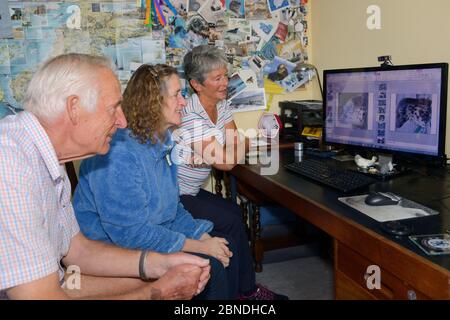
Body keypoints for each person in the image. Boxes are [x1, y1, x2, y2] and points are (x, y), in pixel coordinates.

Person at [0, 53, 210, 300]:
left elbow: (78, 253)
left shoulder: (50, 158)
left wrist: (160, 264)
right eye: (113, 109)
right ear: (74, 108)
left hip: (63, 280)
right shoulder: (10, 167)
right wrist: (158, 292)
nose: (122, 121)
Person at [72, 64, 230, 299]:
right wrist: (198, 247)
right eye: (177, 94)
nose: (184, 102)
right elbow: (131, 234)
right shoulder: (118, 153)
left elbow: (172, 209)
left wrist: (202, 237)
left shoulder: (162, 140)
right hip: (109, 251)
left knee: (219, 251)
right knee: (206, 267)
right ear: (153, 101)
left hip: (149, 235)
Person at [177, 45, 288, 300]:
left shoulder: (221, 104)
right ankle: (246, 292)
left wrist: (236, 145)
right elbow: (226, 162)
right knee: (230, 219)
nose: (225, 83)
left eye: (225, 75)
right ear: (196, 84)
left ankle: (244, 289)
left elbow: (232, 142)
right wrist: (249, 140)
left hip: (192, 190)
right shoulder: (190, 116)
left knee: (233, 212)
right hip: (175, 195)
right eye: (217, 78)